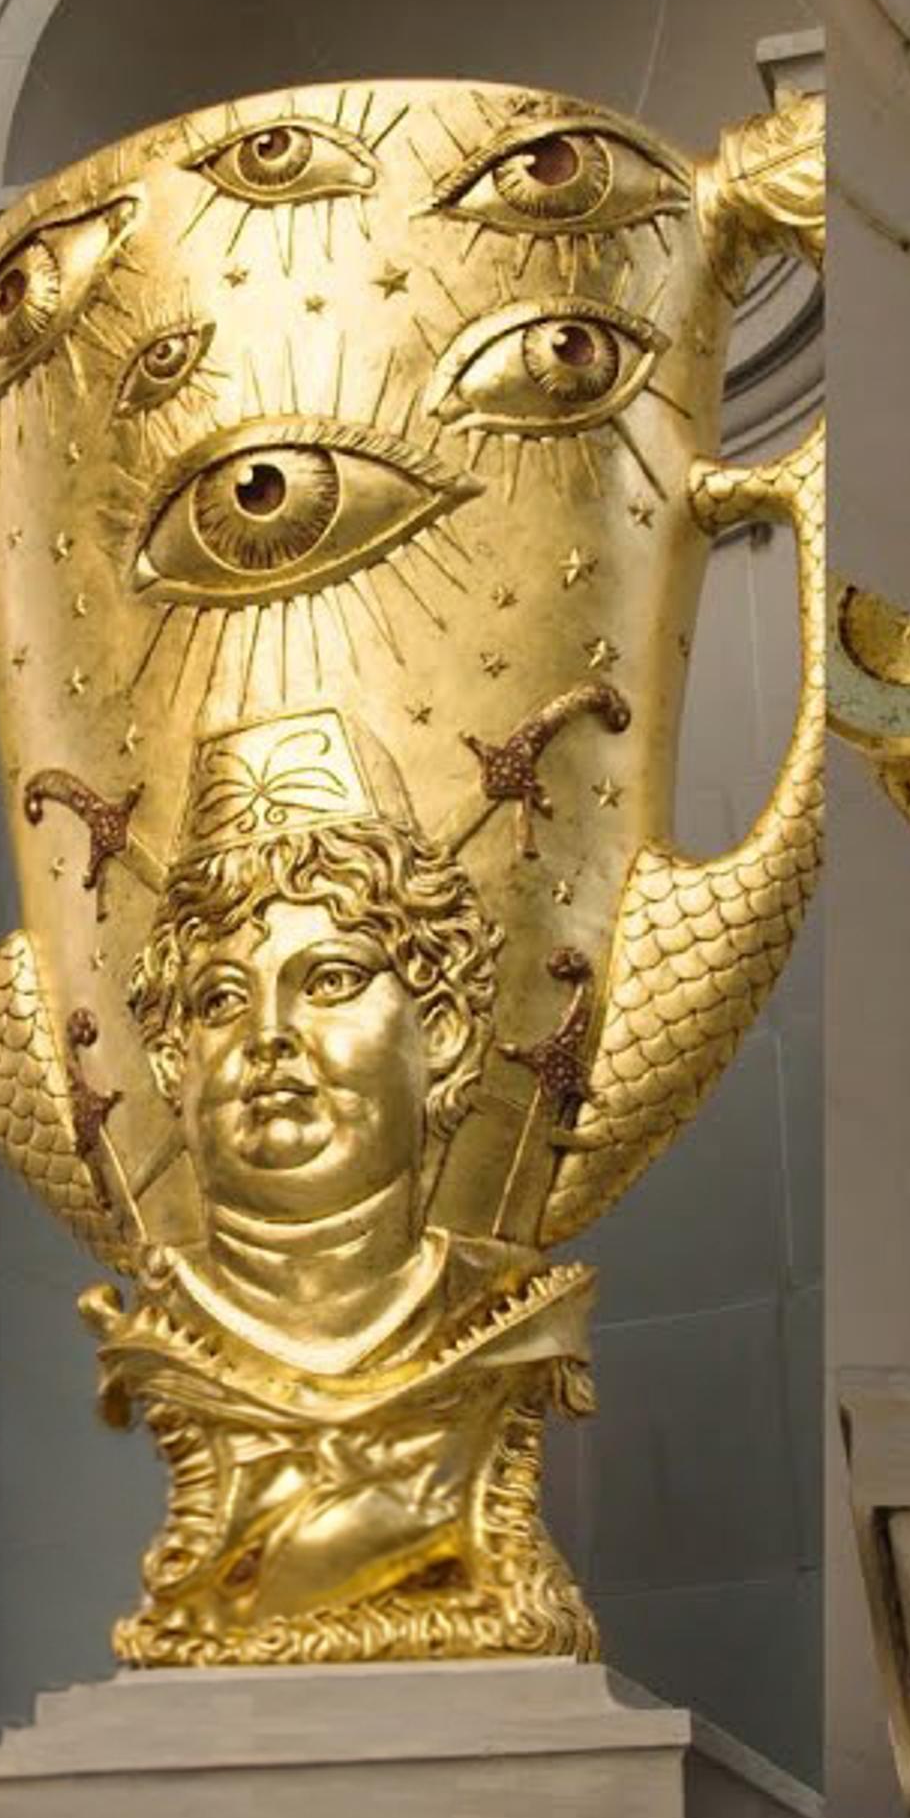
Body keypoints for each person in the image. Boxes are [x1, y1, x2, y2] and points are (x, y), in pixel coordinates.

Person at [82, 708, 595, 1664]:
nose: (268, 1033)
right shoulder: (167, 1325)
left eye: (327, 980)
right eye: (222, 999)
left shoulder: (501, 1312)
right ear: (168, 1064)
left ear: (441, 1030)